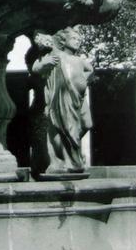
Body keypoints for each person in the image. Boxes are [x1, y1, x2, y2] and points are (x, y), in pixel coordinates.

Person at [32, 28, 93, 173]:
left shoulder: (79, 60)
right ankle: (67, 159)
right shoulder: (57, 55)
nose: (77, 42)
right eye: (74, 39)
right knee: (66, 128)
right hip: (62, 99)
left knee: (87, 124)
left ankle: (70, 151)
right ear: (63, 41)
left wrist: (84, 82)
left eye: (79, 40)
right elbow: (36, 67)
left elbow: (90, 70)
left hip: (78, 97)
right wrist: (45, 62)